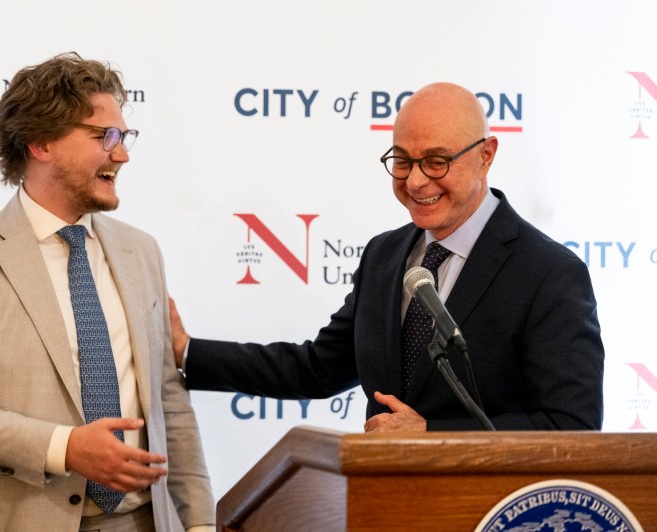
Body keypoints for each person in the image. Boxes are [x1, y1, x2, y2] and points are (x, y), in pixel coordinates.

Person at [171, 82, 604, 432]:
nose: (415, 181)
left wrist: (430, 436)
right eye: (401, 161)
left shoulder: (549, 274)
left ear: (485, 156)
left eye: (436, 162)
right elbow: (316, 369)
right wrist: (188, 352)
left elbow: (571, 426)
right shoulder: (385, 255)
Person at [0, 53, 214, 532]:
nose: (122, 154)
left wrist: (199, 522)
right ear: (40, 143)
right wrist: (66, 447)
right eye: (104, 137)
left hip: (145, 521)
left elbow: (167, 400)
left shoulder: (142, 253)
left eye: (123, 136)